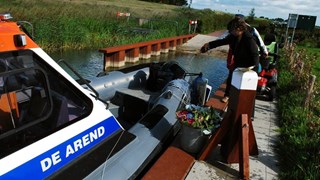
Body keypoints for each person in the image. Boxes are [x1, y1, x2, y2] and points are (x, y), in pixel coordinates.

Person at [203, 14, 266, 103]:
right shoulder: (233, 36)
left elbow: (255, 54)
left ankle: (241, 99)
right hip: (239, 61)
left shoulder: (249, 38)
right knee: (231, 76)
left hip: (249, 64)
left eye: (231, 31)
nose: (230, 32)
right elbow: (222, 41)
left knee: (244, 82)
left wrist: (255, 71)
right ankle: (227, 95)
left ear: (239, 29)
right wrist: (209, 45)